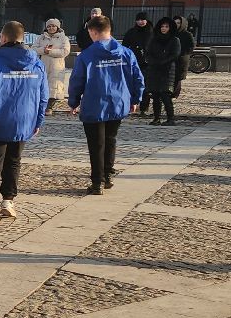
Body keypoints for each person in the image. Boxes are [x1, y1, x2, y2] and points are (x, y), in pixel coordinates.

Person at [0, 21, 48, 223]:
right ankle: (8, 201)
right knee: (14, 162)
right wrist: (37, 120)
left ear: (3, 38)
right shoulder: (36, 63)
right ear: (22, 39)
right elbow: (43, 96)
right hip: (23, 122)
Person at [67, 15, 144, 195]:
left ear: (93, 32)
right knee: (110, 139)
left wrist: (74, 101)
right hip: (118, 102)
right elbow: (137, 77)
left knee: (96, 144)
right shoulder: (126, 52)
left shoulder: (87, 55)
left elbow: (77, 80)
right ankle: (108, 175)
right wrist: (135, 99)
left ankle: (97, 182)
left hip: (95, 103)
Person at [146, 18, 183, 126]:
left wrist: (163, 62)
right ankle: (156, 118)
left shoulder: (174, 40)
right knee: (155, 95)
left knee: (165, 94)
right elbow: (148, 52)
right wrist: (153, 61)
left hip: (167, 70)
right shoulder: (154, 39)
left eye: (166, 27)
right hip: (154, 69)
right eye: (162, 26)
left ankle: (170, 118)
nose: (164, 29)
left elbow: (175, 54)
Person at [35, 19, 72, 115]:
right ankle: (41, 105)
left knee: (54, 86)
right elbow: (34, 49)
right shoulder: (41, 38)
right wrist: (44, 50)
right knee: (43, 85)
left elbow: (65, 51)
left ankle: (49, 106)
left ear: (57, 27)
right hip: (43, 64)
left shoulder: (63, 38)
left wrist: (50, 52)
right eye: (49, 26)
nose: (51, 28)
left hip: (57, 65)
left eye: (53, 26)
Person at [126, 13, 156, 116]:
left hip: (148, 63)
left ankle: (144, 107)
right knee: (132, 84)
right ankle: (132, 104)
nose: (140, 21)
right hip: (134, 61)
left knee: (145, 86)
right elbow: (125, 45)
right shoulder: (132, 32)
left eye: (143, 19)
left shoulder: (152, 32)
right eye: (138, 20)